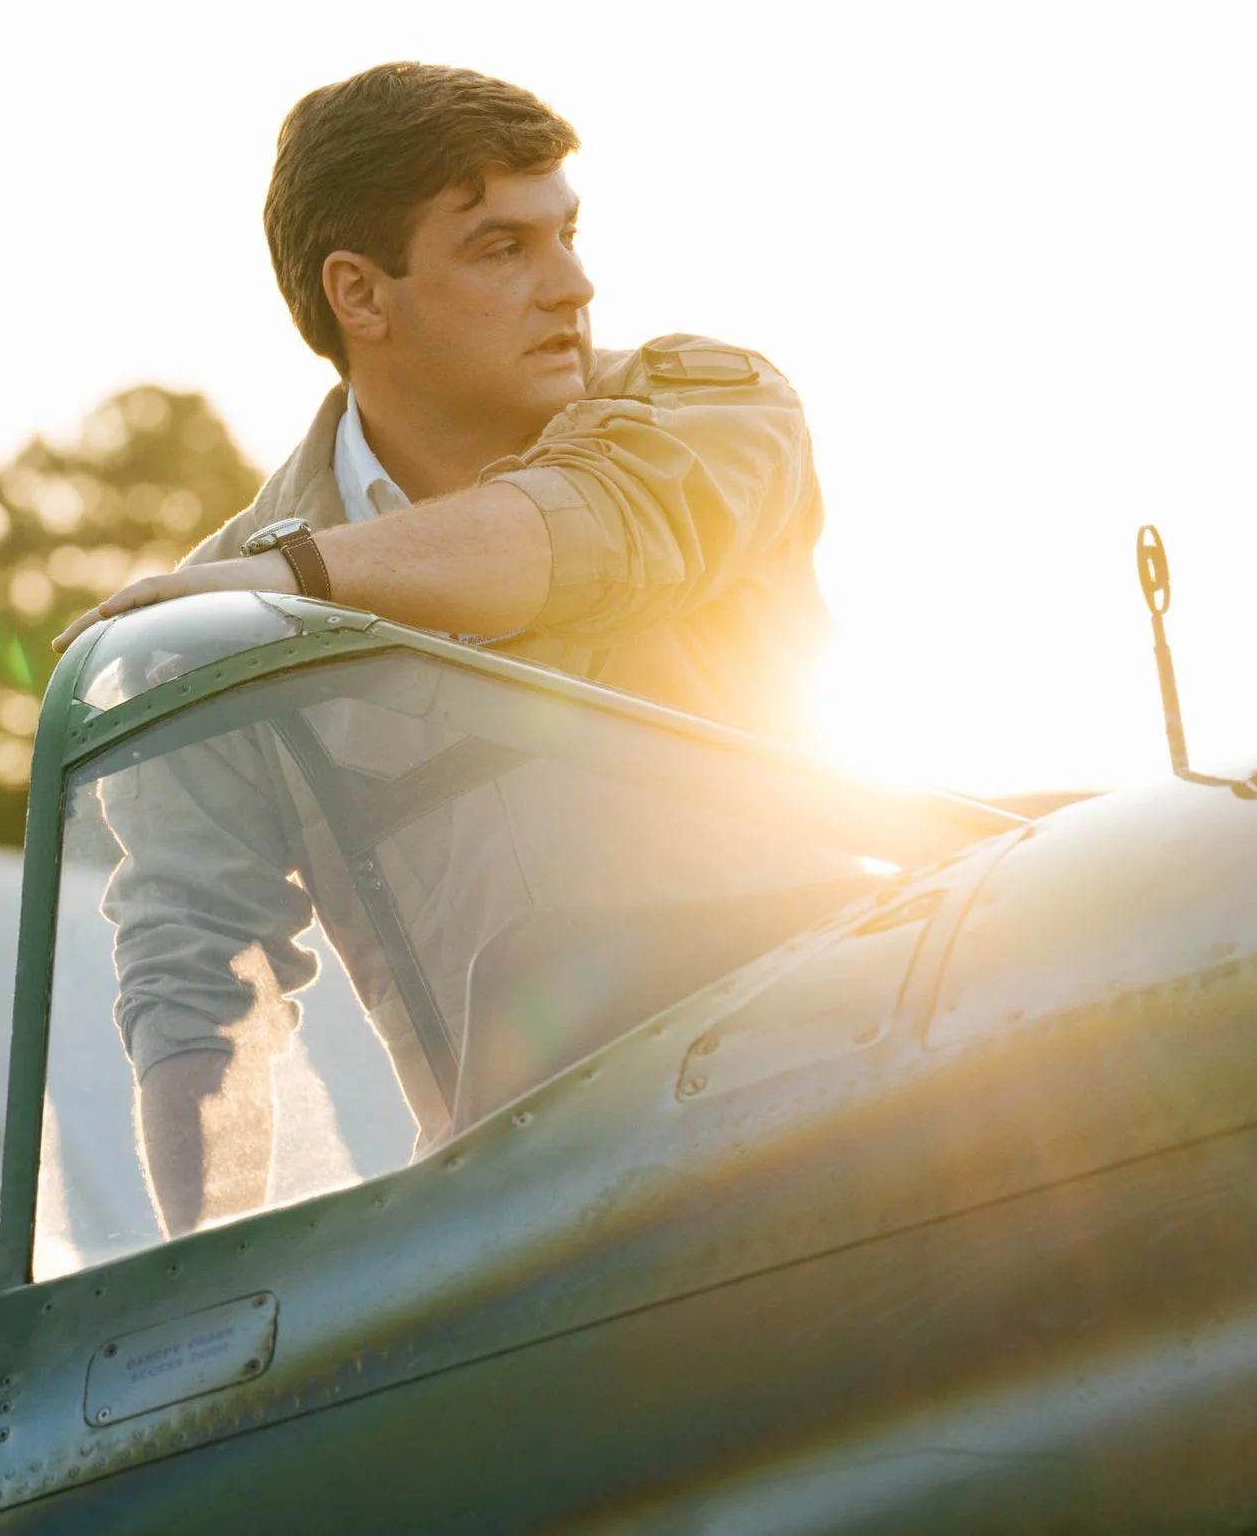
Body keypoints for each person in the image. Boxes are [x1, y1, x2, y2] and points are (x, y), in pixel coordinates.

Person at [54, 62, 831, 1237]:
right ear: (360, 294)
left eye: (566, 233)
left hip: (848, 1122)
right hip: (525, 1246)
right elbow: (198, 990)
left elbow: (581, 530)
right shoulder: (202, 651)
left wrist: (286, 582)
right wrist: (213, 1304)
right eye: (500, 249)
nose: (572, 285)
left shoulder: (718, 405)